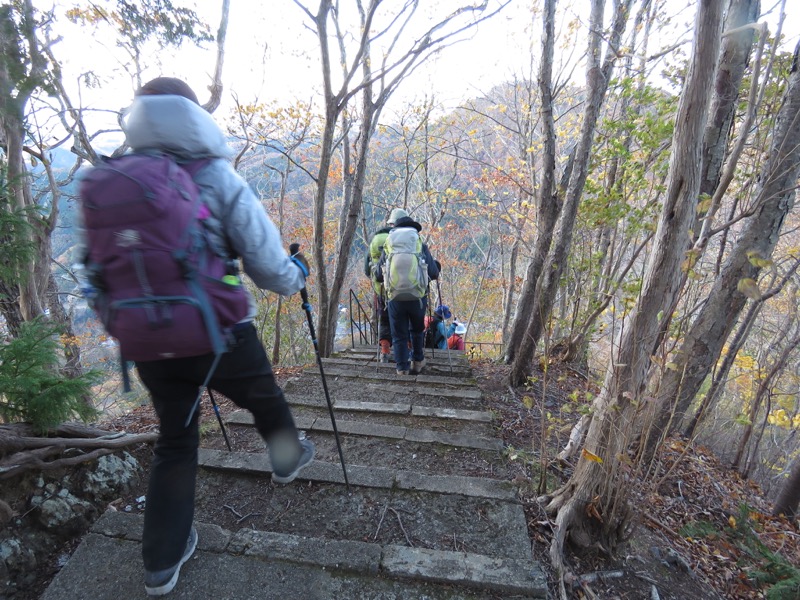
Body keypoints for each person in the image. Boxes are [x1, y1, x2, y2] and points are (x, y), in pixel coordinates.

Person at [98, 78, 315, 596]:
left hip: (148, 342)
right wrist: (297, 275)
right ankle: (286, 458)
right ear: (193, 117)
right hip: (222, 334)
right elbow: (267, 266)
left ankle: (161, 562)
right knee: (265, 397)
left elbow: (99, 274)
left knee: (175, 441)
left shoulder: (109, 180)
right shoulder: (216, 175)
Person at [376, 214, 439, 375]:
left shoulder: (389, 246)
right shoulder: (420, 246)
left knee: (398, 333)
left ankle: (401, 368)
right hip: (417, 297)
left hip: (394, 297)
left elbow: (377, 274)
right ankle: (417, 361)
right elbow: (433, 272)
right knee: (417, 329)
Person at [364, 208, 408, 362]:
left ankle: (384, 351)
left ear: (390, 223)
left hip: (381, 288)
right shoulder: (409, 238)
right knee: (405, 317)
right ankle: (407, 350)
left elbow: (366, 269)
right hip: (405, 286)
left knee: (384, 319)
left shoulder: (376, 240)